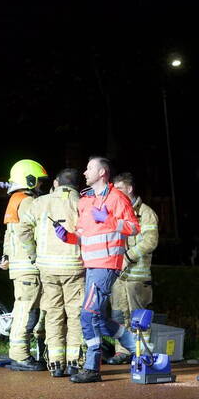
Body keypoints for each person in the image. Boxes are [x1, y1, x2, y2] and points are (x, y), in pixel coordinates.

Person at [52, 156, 139, 383]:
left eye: (89, 168)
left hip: (107, 265)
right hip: (91, 266)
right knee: (97, 317)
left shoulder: (117, 198)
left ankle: (92, 368)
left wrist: (109, 220)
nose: (84, 173)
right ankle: (136, 346)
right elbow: (82, 235)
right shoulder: (86, 201)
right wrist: (68, 236)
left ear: (102, 172)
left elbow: (133, 228)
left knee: (88, 315)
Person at [20, 168, 85, 377]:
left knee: (54, 314)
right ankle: (75, 362)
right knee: (75, 315)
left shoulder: (40, 203)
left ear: (56, 183)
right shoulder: (83, 203)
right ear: (77, 186)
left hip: (47, 268)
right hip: (76, 267)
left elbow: (22, 230)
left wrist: (32, 254)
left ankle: (56, 363)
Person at [108, 172, 160, 363]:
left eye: (119, 188)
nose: (115, 193)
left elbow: (151, 241)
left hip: (137, 277)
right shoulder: (115, 211)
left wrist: (128, 256)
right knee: (119, 316)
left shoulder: (146, 213)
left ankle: (143, 353)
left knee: (139, 318)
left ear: (129, 189)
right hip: (118, 277)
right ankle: (122, 351)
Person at [0, 159, 47, 371]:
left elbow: (8, 234)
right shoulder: (27, 201)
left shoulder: (15, 200)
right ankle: (20, 356)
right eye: (38, 182)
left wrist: (6, 256)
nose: (40, 186)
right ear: (29, 180)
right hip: (29, 266)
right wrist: (36, 255)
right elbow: (24, 232)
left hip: (20, 265)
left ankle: (23, 353)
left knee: (25, 309)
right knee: (26, 311)